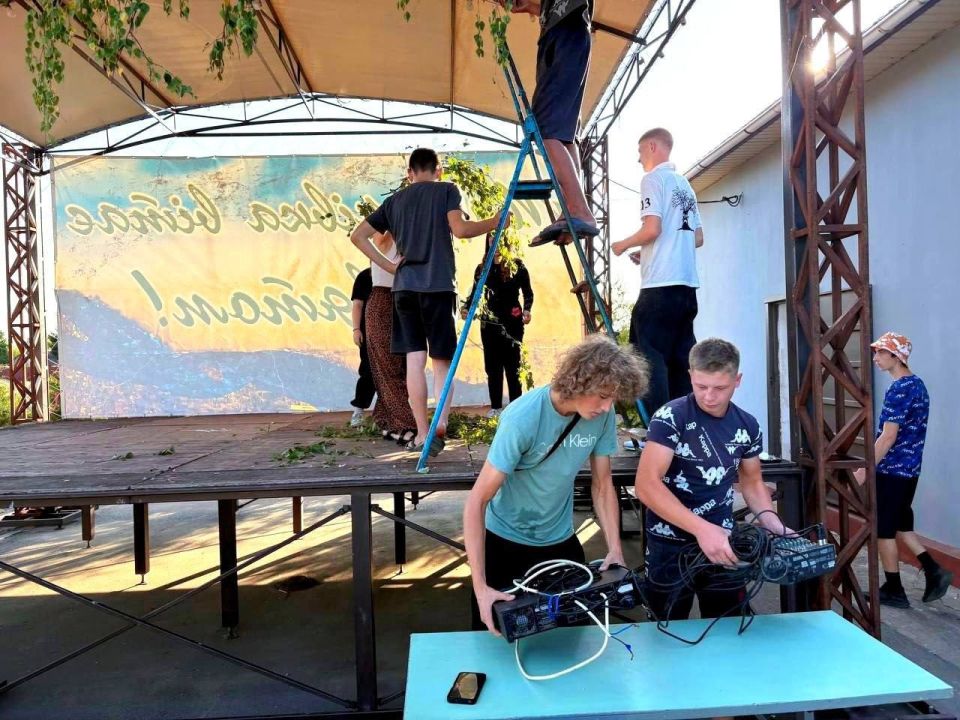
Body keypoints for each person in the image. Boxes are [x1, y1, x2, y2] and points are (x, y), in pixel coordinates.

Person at [464, 334, 649, 634]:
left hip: (560, 542)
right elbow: (477, 501)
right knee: (495, 639)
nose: (607, 407)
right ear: (579, 380)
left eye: (612, 398)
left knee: (573, 638)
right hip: (505, 543)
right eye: (603, 395)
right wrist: (480, 586)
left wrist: (615, 548)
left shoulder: (601, 416)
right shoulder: (522, 419)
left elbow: (603, 485)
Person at [350, 148, 508, 456]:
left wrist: (389, 266)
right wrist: (494, 222)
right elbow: (460, 230)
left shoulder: (394, 201)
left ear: (409, 173)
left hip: (404, 290)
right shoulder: (447, 190)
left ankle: (422, 432)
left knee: (414, 361)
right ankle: (441, 422)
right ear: (439, 170)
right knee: (441, 362)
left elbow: (358, 236)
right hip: (437, 285)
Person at [635, 338, 789, 621]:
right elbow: (647, 485)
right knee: (665, 629)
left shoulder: (747, 425)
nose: (709, 396)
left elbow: (752, 482)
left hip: (723, 543)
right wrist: (702, 530)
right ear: (690, 375)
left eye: (720, 388)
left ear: (737, 380)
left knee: (727, 626)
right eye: (701, 386)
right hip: (669, 545)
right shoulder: (670, 417)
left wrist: (773, 524)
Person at [853, 332, 953, 608]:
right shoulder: (918, 385)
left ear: (896, 356)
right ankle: (934, 570)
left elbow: (888, 437)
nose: (875, 358)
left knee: (884, 531)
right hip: (910, 470)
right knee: (901, 525)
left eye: (880, 353)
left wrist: (865, 470)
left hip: (892, 470)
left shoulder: (899, 389)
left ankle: (894, 590)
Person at [612, 128, 704, 414]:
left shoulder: (652, 179)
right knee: (681, 361)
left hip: (659, 287)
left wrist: (623, 244)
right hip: (687, 287)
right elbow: (697, 237)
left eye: (640, 152)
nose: (639, 159)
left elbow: (652, 228)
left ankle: (659, 427)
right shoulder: (685, 185)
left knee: (647, 358)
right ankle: (683, 424)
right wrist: (650, 251)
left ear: (652, 146)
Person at [502, 0, 600, 246]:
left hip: (565, 32)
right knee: (564, 135)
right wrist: (531, 7)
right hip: (566, 31)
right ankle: (571, 212)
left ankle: (579, 210)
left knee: (545, 128)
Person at [461, 234, 534, 418]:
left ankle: (516, 407)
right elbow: (476, 293)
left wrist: (526, 310)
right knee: (493, 367)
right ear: (487, 241)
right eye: (491, 238)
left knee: (513, 365)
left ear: (506, 240)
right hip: (489, 324)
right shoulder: (482, 269)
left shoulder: (517, 266)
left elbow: (528, 293)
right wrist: (466, 307)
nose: (495, 241)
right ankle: (495, 407)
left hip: (512, 323)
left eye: (499, 237)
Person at [365, 231, 417, 445]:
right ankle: (404, 425)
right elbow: (378, 239)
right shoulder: (385, 234)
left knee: (405, 367)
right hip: (383, 301)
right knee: (388, 366)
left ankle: (386, 420)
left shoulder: (410, 235)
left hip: (405, 299)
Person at [348, 267, 375, 427]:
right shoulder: (365, 276)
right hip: (368, 331)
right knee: (367, 371)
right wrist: (356, 329)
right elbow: (357, 304)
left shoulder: (399, 273)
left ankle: (390, 414)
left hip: (395, 331)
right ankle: (358, 410)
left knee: (398, 372)